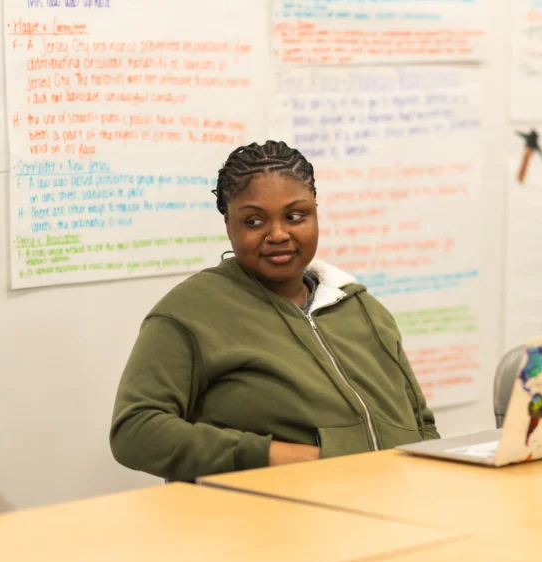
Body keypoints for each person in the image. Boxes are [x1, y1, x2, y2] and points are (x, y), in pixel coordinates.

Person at [110, 141, 439, 482]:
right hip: (271, 522)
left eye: (295, 216)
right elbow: (135, 430)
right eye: (254, 221)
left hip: (392, 509)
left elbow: (422, 425)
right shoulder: (190, 312)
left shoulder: (361, 307)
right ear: (228, 226)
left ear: (315, 213)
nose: (278, 234)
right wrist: (269, 455)